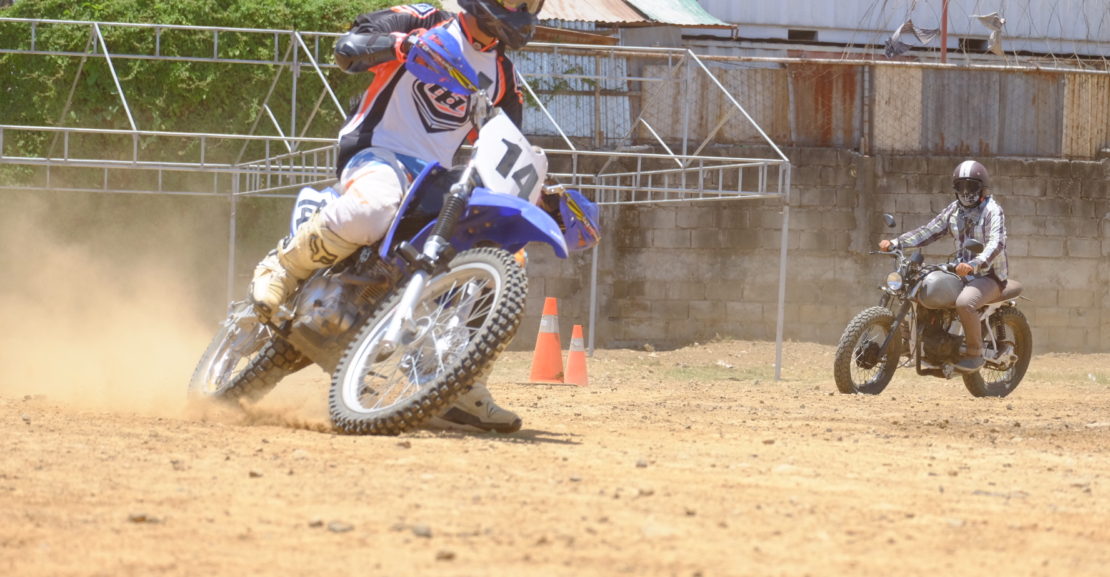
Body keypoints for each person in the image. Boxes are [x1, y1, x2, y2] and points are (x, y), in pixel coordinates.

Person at [248, 1, 547, 433]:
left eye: (531, 1)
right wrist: (399, 46)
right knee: (375, 205)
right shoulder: (422, 19)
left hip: (435, 178)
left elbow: (508, 147)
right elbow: (348, 49)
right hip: (379, 151)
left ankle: (457, 377)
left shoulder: (503, 77)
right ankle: (282, 266)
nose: (523, 6)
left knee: (506, 254)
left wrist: (543, 195)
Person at [879, 159, 1009, 374]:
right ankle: (913, 341)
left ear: (982, 188)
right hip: (960, 270)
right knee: (922, 287)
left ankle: (974, 354)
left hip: (989, 274)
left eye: (971, 187)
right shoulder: (954, 210)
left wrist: (975, 263)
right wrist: (896, 243)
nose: (966, 193)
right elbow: (929, 231)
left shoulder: (993, 211)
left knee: (966, 303)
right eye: (961, 187)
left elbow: (997, 243)